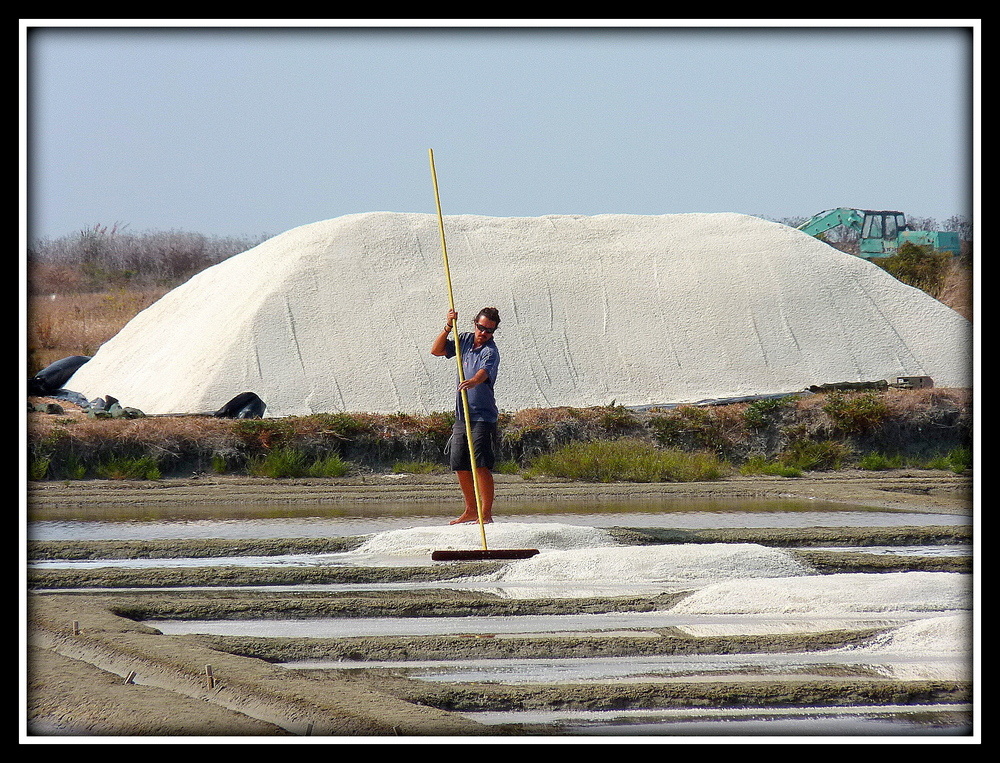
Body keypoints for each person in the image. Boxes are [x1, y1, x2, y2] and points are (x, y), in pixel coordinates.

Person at [430, 306, 501, 524]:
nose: (483, 333)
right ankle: (471, 510)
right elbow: (437, 350)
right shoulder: (465, 340)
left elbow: (483, 373)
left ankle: (486, 514)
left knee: (480, 464)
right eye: (481, 327)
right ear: (475, 324)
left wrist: (473, 381)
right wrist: (449, 325)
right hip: (462, 414)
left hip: (482, 416)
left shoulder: (491, 351)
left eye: (489, 330)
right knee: (460, 463)